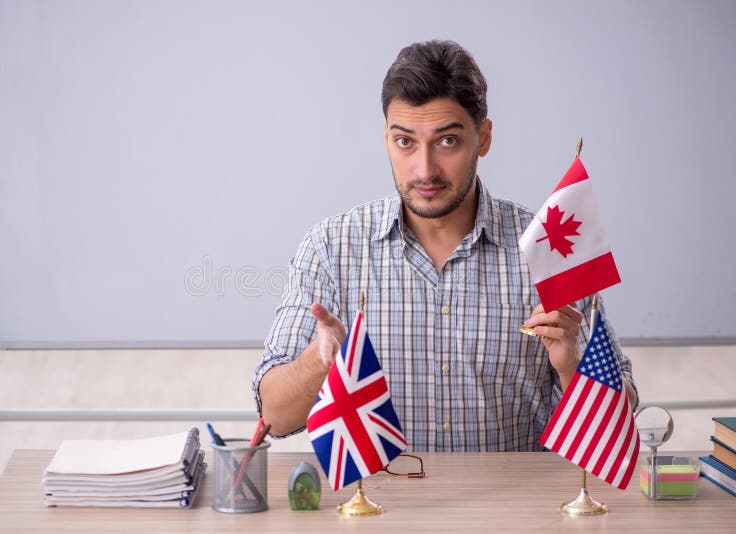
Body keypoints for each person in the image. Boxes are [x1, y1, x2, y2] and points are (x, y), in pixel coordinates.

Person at [251, 40, 637, 452]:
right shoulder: (331, 248)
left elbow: (621, 416)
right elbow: (274, 417)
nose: (425, 170)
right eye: (405, 142)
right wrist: (320, 360)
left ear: (483, 138)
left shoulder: (547, 245)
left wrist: (572, 365)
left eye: (447, 141)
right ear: (386, 139)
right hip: (379, 494)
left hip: (515, 494)